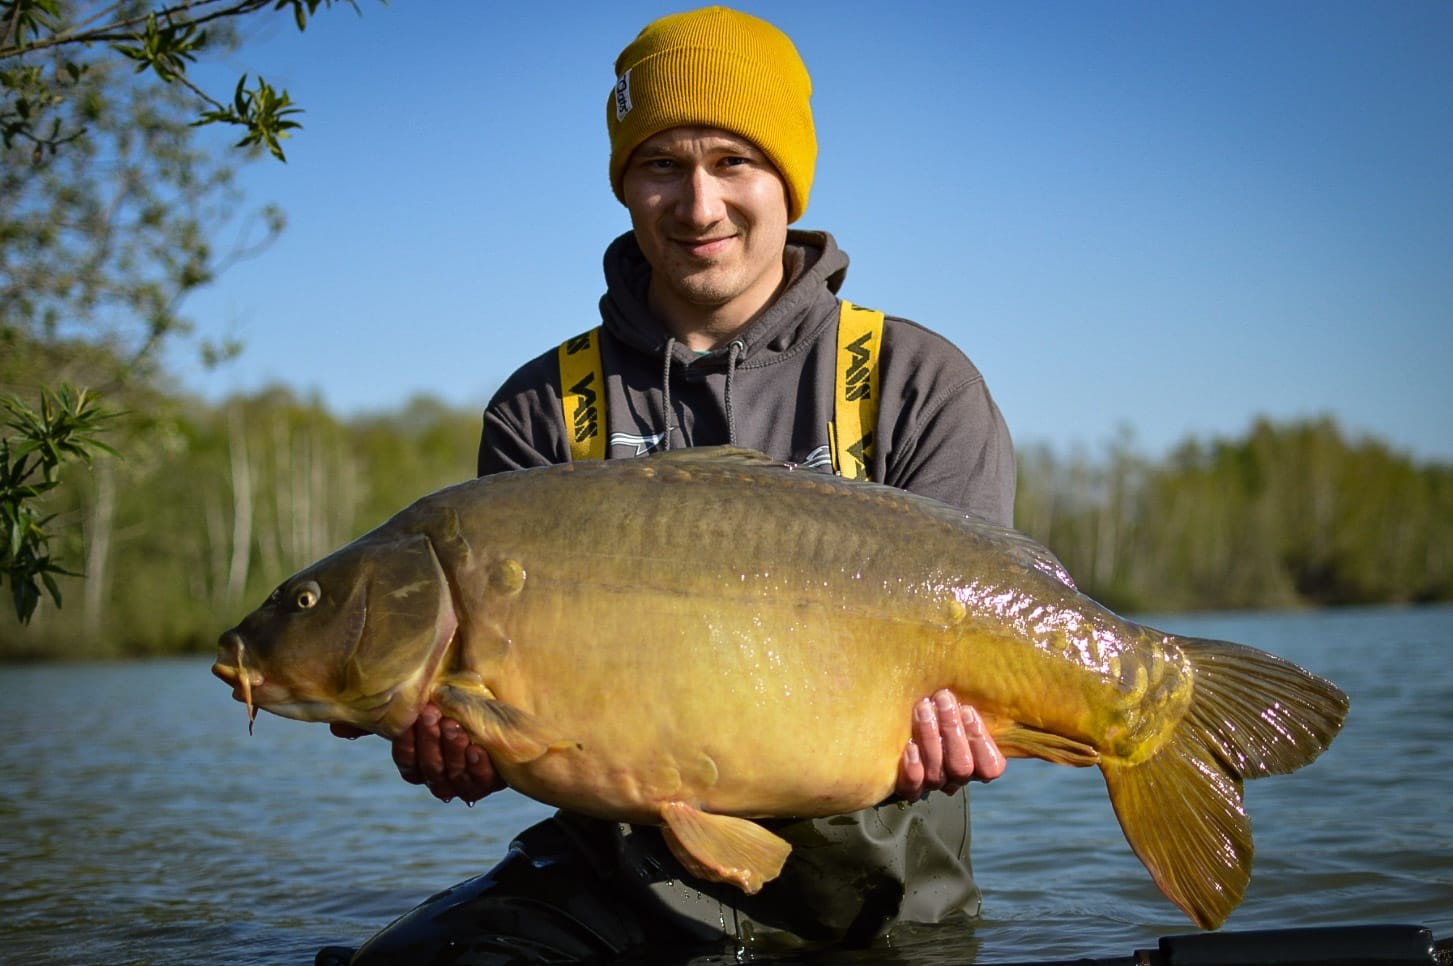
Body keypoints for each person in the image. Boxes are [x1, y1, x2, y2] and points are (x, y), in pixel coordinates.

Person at [322, 6, 1016, 963]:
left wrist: (963, 732)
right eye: (662, 166)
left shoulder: (912, 381)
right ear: (623, 186)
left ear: (787, 180)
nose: (698, 206)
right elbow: (515, 717)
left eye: (733, 161)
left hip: (875, 889)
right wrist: (468, 752)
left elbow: (990, 638)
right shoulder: (541, 410)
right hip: (613, 889)